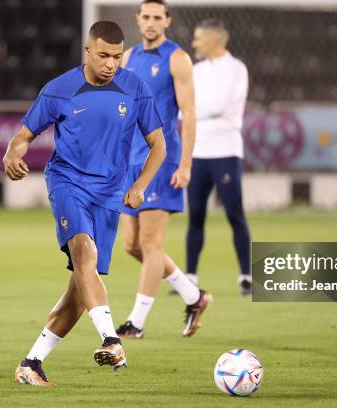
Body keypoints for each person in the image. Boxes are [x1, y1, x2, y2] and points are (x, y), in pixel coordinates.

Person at [6, 21, 166, 386]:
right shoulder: (60, 89)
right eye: (104, 55)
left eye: (117, 56)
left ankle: (31, 364)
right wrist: (12, 156)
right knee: (83, 251)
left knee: (79, 292)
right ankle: (111, 340)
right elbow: (22, 136)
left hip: (110, 195)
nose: (111, 64)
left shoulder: (134, 87)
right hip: (68, 183)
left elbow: (159, 145)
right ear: (87, 52)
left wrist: (140, 185)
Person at [115, 0, 212, 340]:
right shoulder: (127, 57)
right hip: (131, 161)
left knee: (151, 243)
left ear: (167, 21)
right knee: (131, 244)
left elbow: (189, 113)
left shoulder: (177, 58)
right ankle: (194, 296)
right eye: (146, 17)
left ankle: (135, 323)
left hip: (162, 159)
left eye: (158, 17)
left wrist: (186, 163)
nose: (152, 22)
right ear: (138, 20)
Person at [187, 19, 252, 295]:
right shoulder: (195, 69)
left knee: (235, 215)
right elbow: (182, 109)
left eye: (199, 38)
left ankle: (246, 276)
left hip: (225, 151)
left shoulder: (236, 69)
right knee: (196, 215)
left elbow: (217, 106)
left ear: (215, 40)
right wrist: (192, 109)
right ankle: (189, 277)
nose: (194, 43)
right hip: (197, 150)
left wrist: (193, 108)